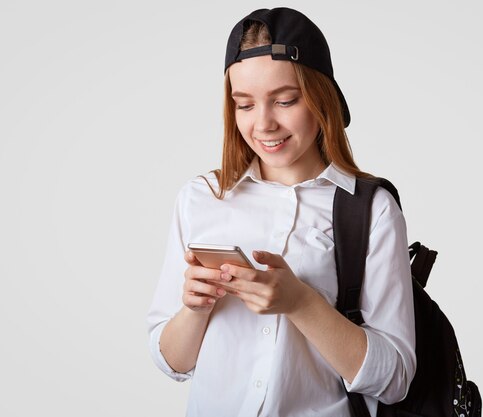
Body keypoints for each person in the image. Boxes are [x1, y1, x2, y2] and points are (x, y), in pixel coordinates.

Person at [147, 7, 416, 417]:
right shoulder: (201, 198)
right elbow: (173, 362)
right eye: (244, 105)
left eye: (285, 100)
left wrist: (300, 302)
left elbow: (395, 379)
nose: (263, 124)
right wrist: (195, 309)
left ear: (321, 96)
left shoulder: (371, 209)